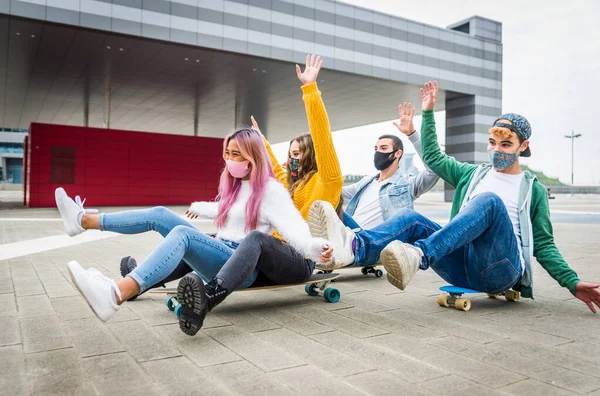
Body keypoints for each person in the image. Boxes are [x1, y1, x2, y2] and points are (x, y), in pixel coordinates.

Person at [61, 127, 334, 332]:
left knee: (185, 236)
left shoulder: (271, 191)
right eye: (227, 153)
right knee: (160, 215)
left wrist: (315, 247)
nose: (229, 160)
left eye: (235, 154)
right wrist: (201, 207)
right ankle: (84, 221)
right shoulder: (236, 186)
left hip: (241, 267)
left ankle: (114, 294)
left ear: (252, 158)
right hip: (224, 249)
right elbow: (227, 212)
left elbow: (294, 227)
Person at [119, 54, 346, 295]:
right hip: (267, 252)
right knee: (203, 242)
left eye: (297, 154)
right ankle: (142, 281)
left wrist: (310, 90)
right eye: (290, 153)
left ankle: (203, 293)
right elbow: (273, 168)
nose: (291, 159)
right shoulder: (290, 185)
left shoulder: (327, 181)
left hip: (297, 255)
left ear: (312, 155)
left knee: (251, 238)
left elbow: (323, 139)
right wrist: (260, 142)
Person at [379, 81, 600, 313]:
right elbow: (434, 158)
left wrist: (571, 282)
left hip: (501, 271)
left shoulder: (533, 190)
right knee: (409, 218)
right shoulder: (471, 174)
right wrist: (426, 113)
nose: (497, 150)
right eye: (493, 143)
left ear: (522, 146)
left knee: (489, 201)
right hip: (462, 268)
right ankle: (353, 250)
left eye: (506, 145)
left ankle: (419, 254)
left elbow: (544, 245)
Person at [306, 103, 439, 268]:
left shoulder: (407, 184)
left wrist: (412, 135)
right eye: (376, 148)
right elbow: (333, 190)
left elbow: (434, 171)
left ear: (397, 154)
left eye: (383, 148)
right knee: (325, 203)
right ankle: (317, 245)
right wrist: (305, 174)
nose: (378, 152)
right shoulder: (365, 182)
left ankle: (341, 247)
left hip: (375, 242)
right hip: (350, 232)